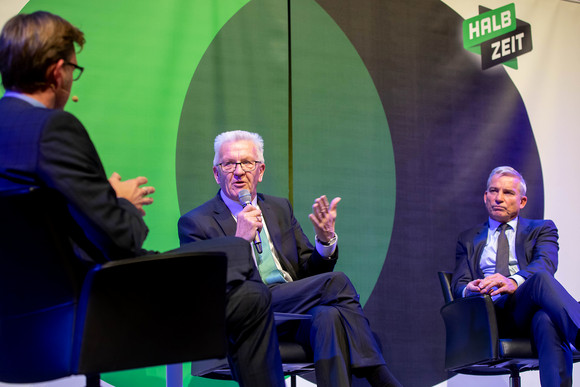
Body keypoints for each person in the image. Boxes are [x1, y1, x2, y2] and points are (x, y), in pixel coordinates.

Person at [0, 12, 284, 386]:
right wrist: (123, 200)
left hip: (19, 317)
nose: (71, 80)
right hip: (93, 308)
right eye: (73, 68)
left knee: (231, 259)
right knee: (247, 290)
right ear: (57, 71)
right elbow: (121, 237)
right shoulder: (54, 128)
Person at [178, 130, 402, 387]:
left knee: (327, 316)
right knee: (336, 283)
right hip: (244, 312)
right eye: (228, 164)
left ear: (260, 171)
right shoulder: (195, 223)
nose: (239, 172)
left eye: (247, 163)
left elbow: (308, 275)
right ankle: (379, 375)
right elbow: (210, 294)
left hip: (290, 307)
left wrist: (325, 241)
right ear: (217, 174)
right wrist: (239, 241)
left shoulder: (279, 208)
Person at [451, 166, 580, 387]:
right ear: (485, 196)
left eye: (508, 192)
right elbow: (458, 284)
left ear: (522, 201)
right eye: (493, 191)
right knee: (540, 283)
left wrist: (513, 281)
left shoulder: (541, 229)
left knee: (545, 316)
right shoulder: (468, 238)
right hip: (489, 315)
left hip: (524, 311)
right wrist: (468, 289)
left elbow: (546, 263)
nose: (499, 198)